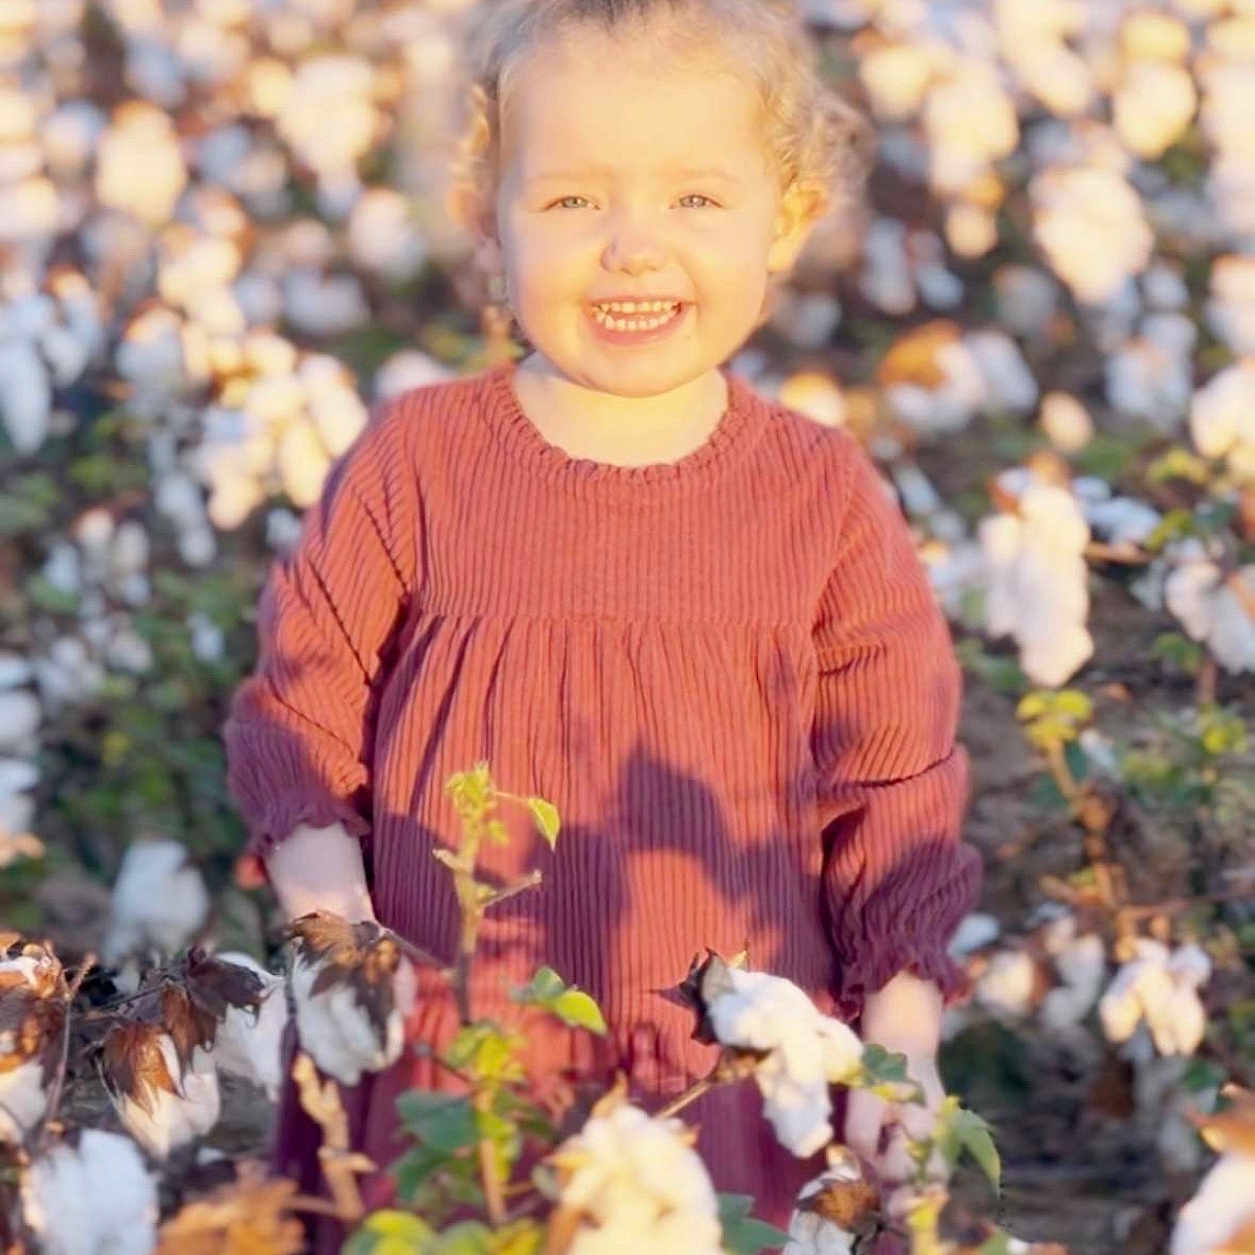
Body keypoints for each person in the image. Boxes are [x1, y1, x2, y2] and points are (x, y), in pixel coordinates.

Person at [222, 0, 982, 1248]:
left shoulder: (820, 491)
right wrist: (341, 942)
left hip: (719, 1051)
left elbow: (893, 782)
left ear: (784, 223)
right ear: (491, 216)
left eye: (695, 200)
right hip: (446, 1038)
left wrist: (899, 1043)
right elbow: (301, 712)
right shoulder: (420, 460)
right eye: (573, 201)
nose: (632, 248)